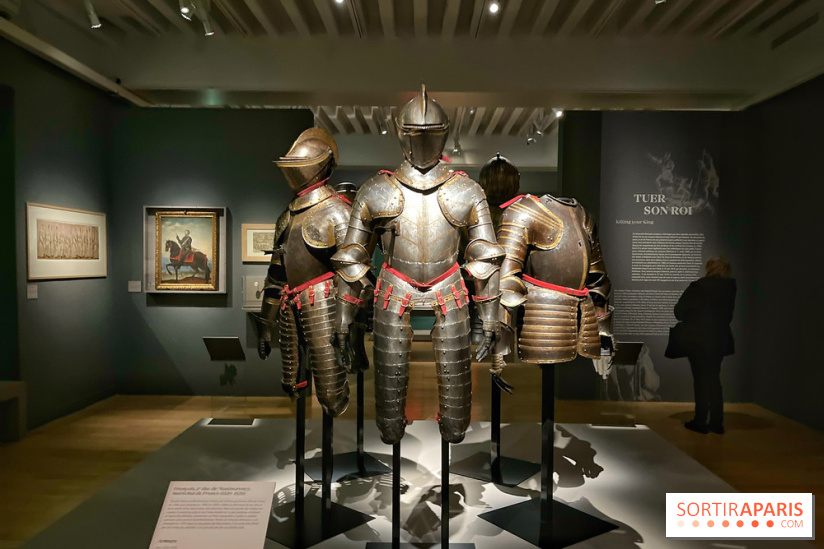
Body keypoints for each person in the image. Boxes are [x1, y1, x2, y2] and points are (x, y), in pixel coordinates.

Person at [675, 257, 736, 434]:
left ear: (710, 268)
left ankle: (700, 421)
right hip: (719, 340)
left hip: (698, 340)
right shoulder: (730, 288)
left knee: (701, 380)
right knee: (714, 380)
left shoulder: (699, 287)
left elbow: (679, 311)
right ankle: (717, 423)